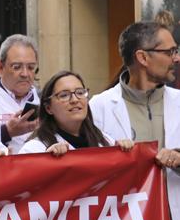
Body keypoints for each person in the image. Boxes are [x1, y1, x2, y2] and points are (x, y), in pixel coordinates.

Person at [90, 21, 180, 169]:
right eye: (170, 52)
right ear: (143, 58)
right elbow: (87, 167)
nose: (176, 58)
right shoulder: (98, 107)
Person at [20, 70, 132, 155]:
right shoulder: (34, 149)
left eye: (80, 92)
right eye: (64, 95)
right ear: (48, 108)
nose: (74, 100)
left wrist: (125, 151)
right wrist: (45, 162)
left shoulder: (105, 141)